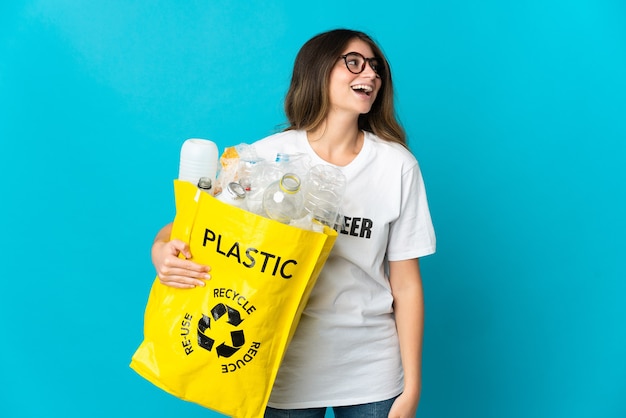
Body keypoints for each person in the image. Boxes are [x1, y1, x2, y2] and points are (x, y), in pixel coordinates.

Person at [151, 28, 436, 418]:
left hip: (371, 369)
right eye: (353, 62)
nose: (369, 74)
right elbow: (192, 222)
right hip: (281, 364)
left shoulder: (397, 167)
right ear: (317, 70)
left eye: (375, 67)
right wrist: (161, 251)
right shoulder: (266, 158)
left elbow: (406, 283)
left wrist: (412, 386)